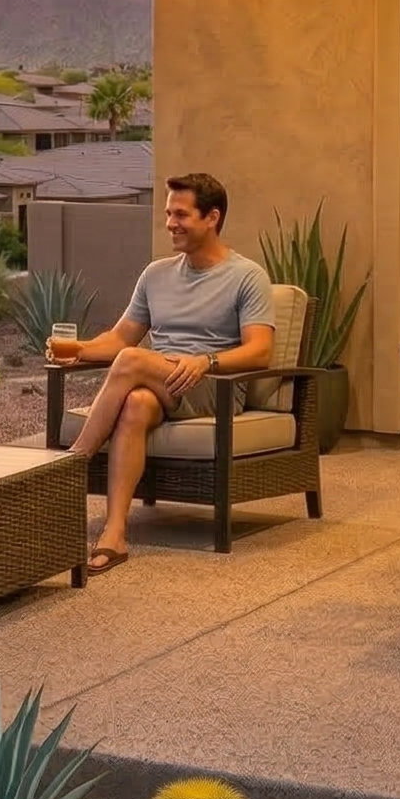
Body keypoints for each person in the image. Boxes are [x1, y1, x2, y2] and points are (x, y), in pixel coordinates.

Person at [50, 172, 276, 573]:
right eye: (168, 213)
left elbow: (260, 351)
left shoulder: (247, 276)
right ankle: (115, 534)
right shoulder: (155, 274)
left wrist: (208, 361)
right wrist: (79, 350)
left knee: (133, 362)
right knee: (135, 403)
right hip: (160, 381)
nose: (170, 223)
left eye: (181, 214)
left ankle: (72, 464)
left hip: (212, 384)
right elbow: (121, 338)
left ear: (212, 217)